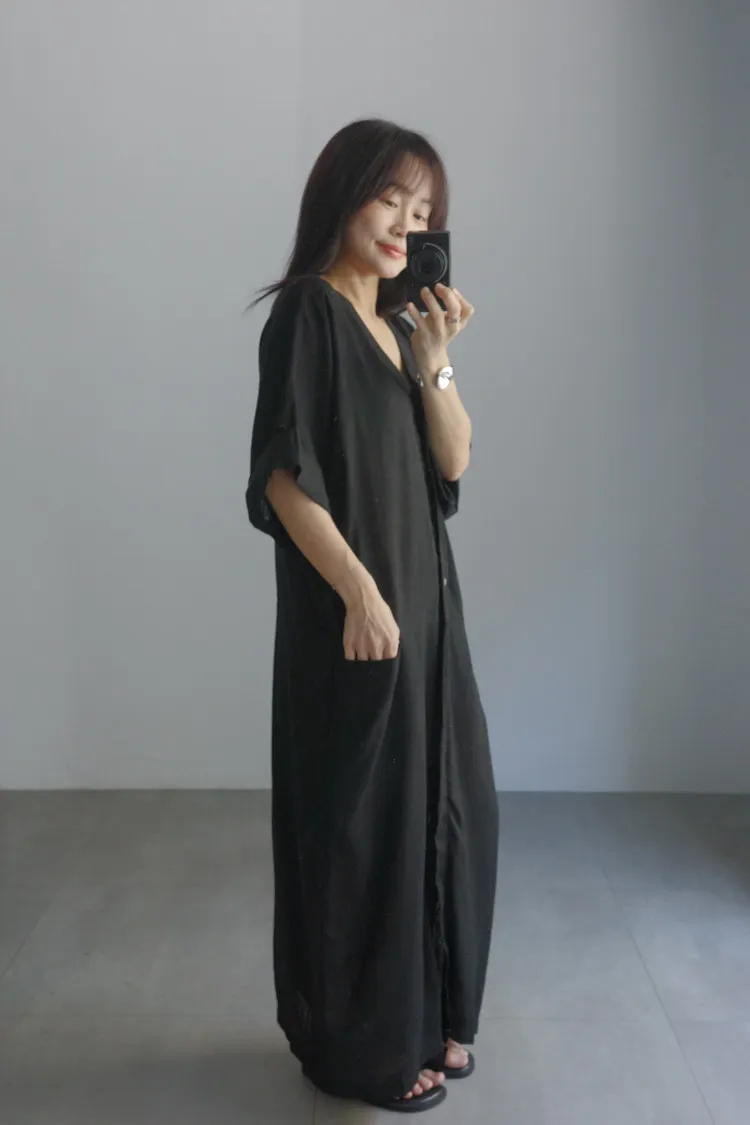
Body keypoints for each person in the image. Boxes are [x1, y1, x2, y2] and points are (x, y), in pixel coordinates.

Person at [245, 118, 499, 1113]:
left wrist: (435, 356)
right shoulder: (306, 312)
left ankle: (430, 1017)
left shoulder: (399, 333)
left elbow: (454, 460)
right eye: (392, 198)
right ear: (343, 194)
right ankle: (359, 1049)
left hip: (428, 618)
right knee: (360, 833)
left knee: (443, 812)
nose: (407, 224)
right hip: (357, 624)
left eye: (424, 211)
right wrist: (358, 590)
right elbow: (282, 475)